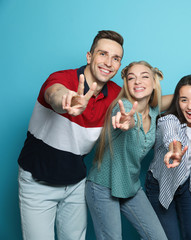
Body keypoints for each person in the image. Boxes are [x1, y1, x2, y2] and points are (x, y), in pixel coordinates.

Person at [17, 30, 124, 240]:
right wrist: (67, 100)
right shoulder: (62, 78)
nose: (109, 63)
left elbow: (149, 101)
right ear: (89, 56)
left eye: (116, 58)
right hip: (37, 183)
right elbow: (53, 93)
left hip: (75, 184)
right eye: (102, 54)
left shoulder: (115, 93)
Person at [85, 61, 168, 240]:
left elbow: (175, 97)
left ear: (154, 82)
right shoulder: (123, 107)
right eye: (131, 78)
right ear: (127, 85)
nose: (137, 81)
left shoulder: (153, 110)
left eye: (144, 76)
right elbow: (128, 119)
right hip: (102, 186)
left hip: (130, 186)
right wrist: (127, 122)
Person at [145, 74, 191, 240]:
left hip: (187, 185)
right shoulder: (169, 120)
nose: (190, 106)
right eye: (183, 100)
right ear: (177, 101)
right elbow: (171, 136)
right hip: (161, 184)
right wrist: (175, 149)